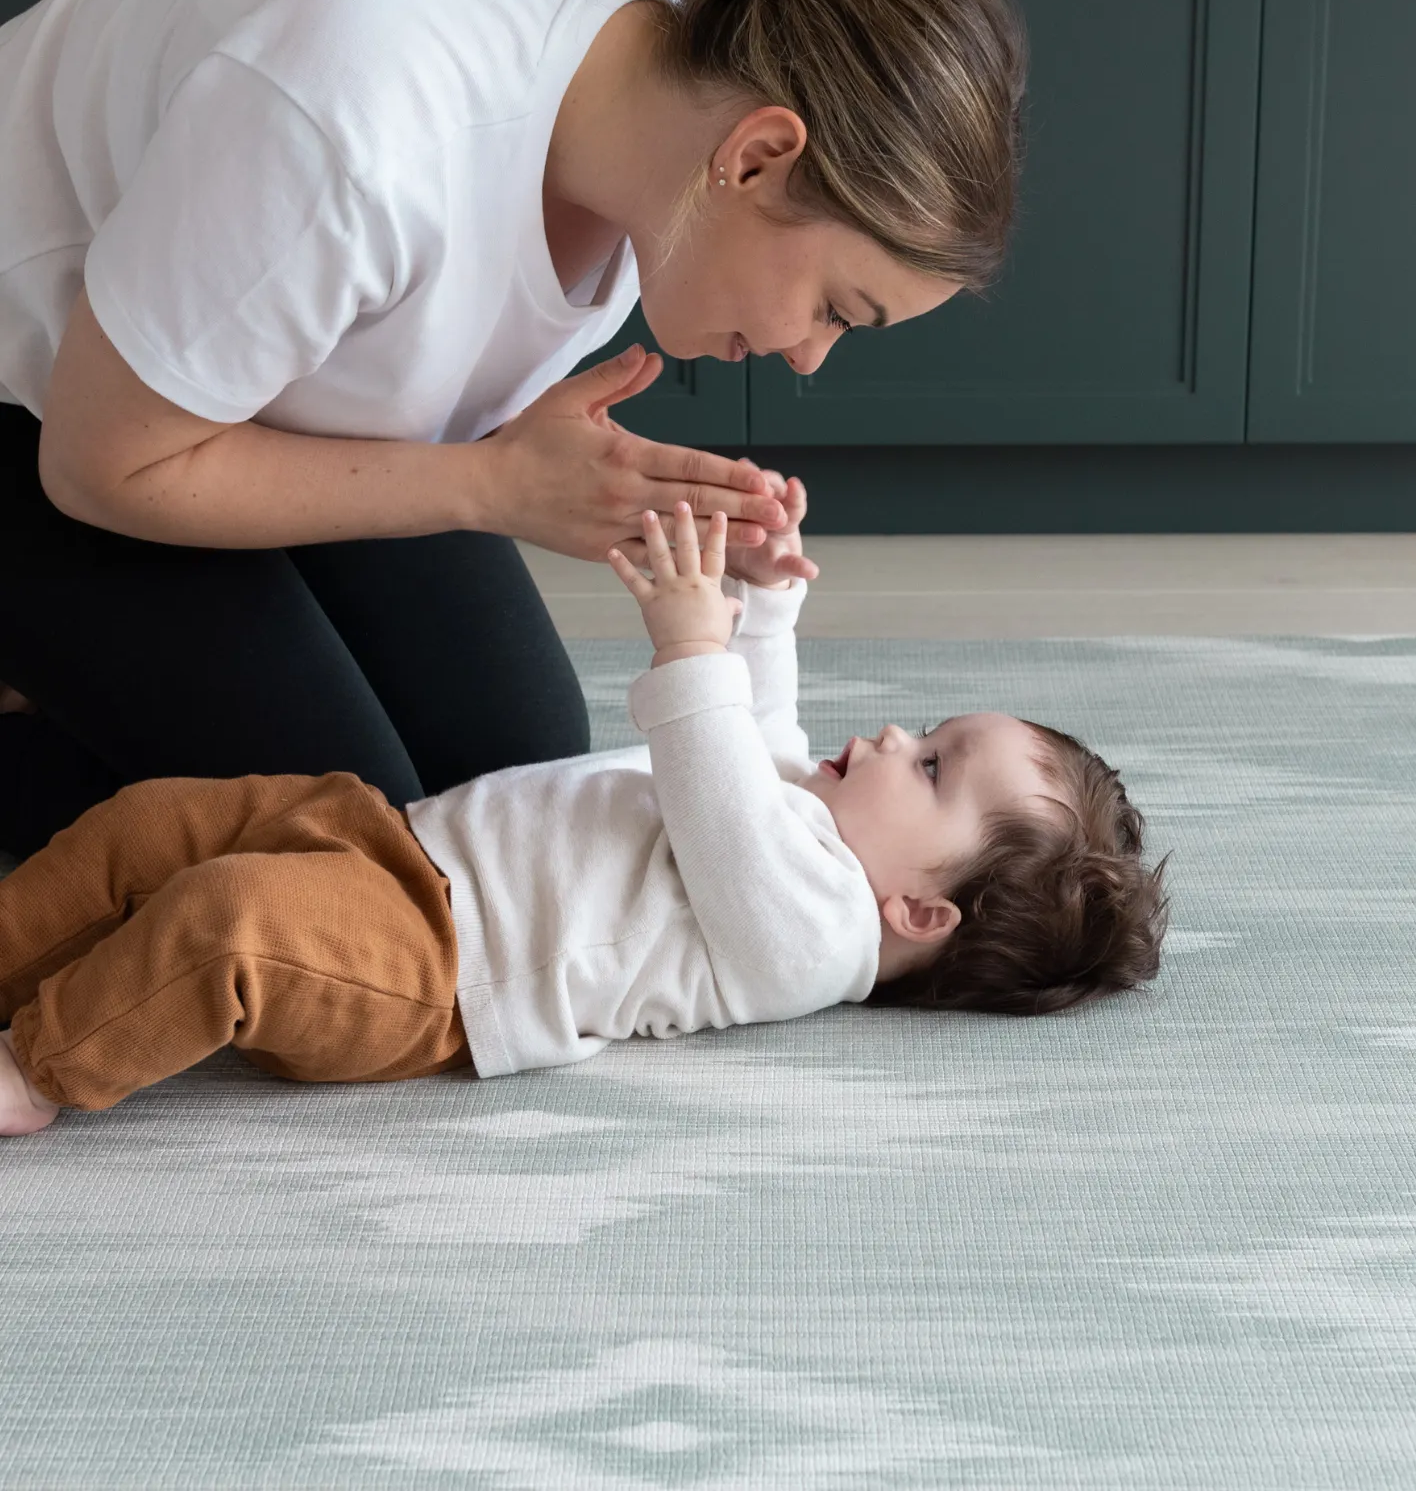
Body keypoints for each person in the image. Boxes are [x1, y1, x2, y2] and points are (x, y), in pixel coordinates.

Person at [0, 0, 1027, 859]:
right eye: (836, 309)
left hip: (220, 392)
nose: (808, 359)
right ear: (756, 158)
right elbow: (103, 466)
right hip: (52, 411)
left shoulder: (676, 105)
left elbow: (416, 333)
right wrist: (491, 484)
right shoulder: (354, 131)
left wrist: (583, 484)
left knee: (510, 777)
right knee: (360, 842)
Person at [0, 479, 1167, 1135]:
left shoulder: (811, 941)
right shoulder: (804, 829)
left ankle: (43, 1072)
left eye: (930, 770)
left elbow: (716, 785)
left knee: (230, 919)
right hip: (391, 839)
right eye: (931, 728)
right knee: (151, 825)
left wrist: (691, 639)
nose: (899, 737)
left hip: (432, 965)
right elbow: (760, 739)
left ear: (921, 915)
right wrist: (761, 606)